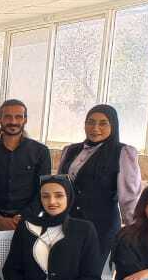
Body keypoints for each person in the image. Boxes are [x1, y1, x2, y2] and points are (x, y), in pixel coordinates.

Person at [58, 103, 142, 262]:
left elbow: (129, 198)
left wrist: (135, 232)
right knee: (66, 268)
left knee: (91, 271)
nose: (95, 128)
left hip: (101, 227)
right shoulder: (70, 150)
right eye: (90, 122)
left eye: (103, 123)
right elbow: (59, 188)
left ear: (113, 126)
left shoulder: (123, 153)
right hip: (68, 224)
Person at [0, 99, 51, 251]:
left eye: (18, 117)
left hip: (29, 225)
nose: (13, 122)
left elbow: (43, 191)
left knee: (25, 266)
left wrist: (23, 218)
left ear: (25, 120)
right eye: (8, 116)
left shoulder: (41, 152)